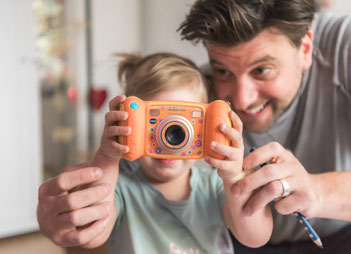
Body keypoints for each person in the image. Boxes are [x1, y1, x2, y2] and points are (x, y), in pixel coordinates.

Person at [37, 52, 273, 253]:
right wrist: (108, 156)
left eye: (181, 127)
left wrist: (234, 176)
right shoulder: (120, 188)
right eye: (155, 124)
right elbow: (91, 234)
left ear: (206, 128)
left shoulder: (216, 186)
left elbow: (255, 237)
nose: (169, 140)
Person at [178, 0, 351, 253]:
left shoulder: (342, 46)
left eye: (261, 70)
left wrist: (317, 191)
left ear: (305, 49)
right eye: (223, 72)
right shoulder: (198, 88)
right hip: (239, 240)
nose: (241, 100)